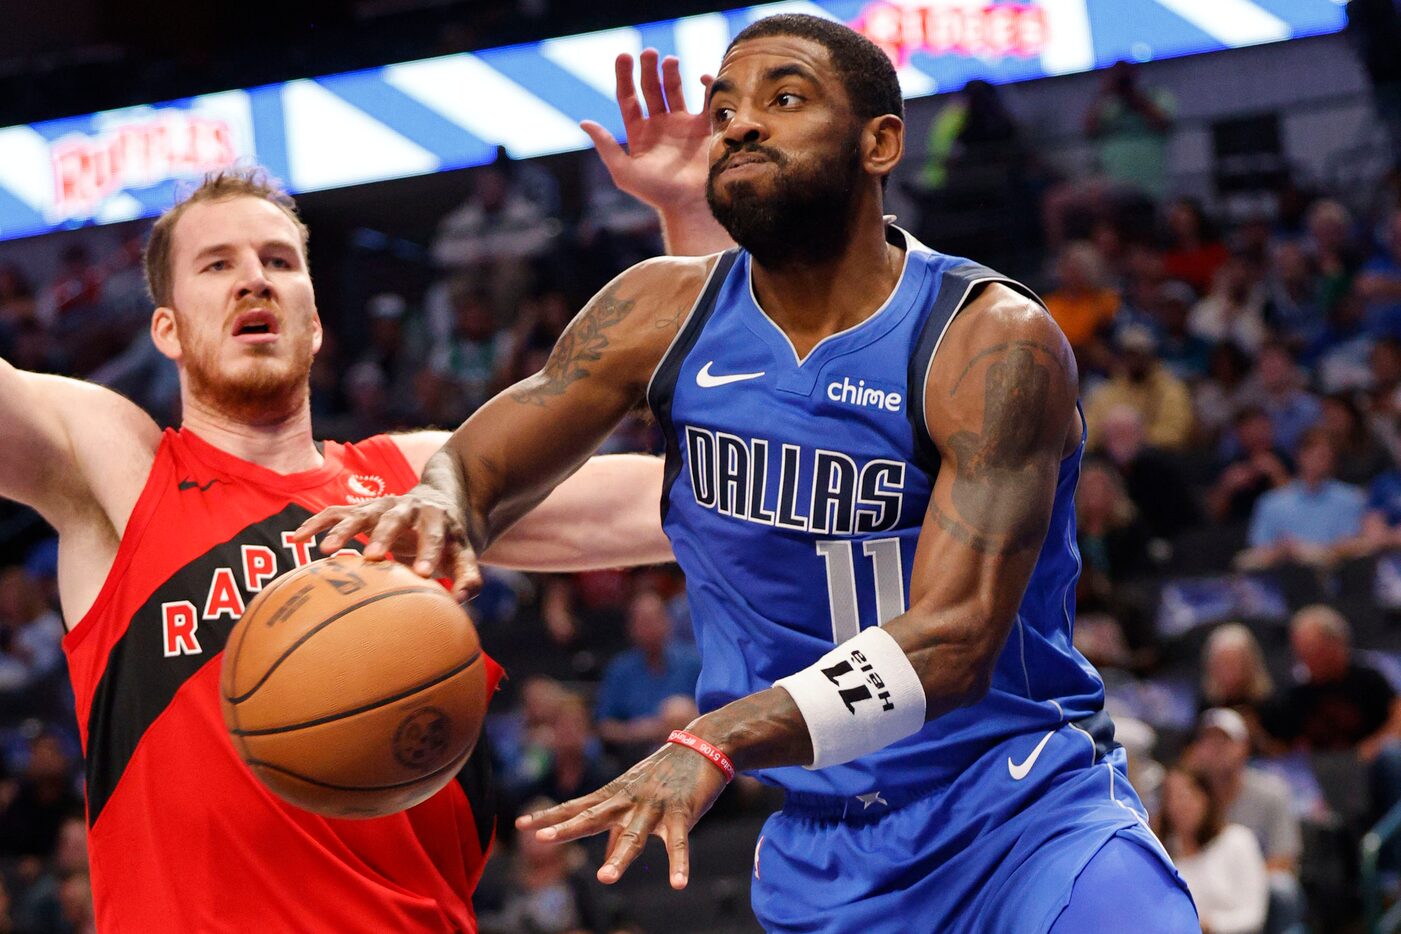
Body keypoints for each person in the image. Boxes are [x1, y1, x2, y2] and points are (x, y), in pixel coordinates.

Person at [304, 15, 1198, 931]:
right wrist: (442, 503)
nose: (738, 123)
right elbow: (480, 465)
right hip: (823, 848)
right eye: (724, 106)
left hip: (1022, 814)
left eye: (784, 98)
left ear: (878, 142)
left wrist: (716, 739)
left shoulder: (986, 341)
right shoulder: (656, 313)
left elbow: (955, 642)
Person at [0, 143, 685, 932]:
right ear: (168, 329)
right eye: (216, 266)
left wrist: (695, 227)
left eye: (279, 261)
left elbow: (697, 496)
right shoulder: (119, 472)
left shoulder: (426, 478)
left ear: (317, 322)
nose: (254, 277)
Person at [1183, 709, 1305, 931]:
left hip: (1252, 886)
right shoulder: (1191, 797)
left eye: (1224, 742)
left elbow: (1284, 860)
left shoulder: (1271, 792)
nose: (1216, 751)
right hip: (1207, 886)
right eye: (1208, 742)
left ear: (1244, 748)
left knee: (1280, 887)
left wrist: (1238, 882)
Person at [1157, 766, 1270, 934]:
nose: (1179, 805)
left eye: (1186, 796)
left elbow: (1253, 915)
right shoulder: (1161, 853)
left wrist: (1209, 925)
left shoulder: (1238, 840)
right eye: (1171, 797)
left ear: (1206, 798)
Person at [595, 588, 702, 759]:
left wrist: (679, 721)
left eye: (655, 619)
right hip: (636, 757)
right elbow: (604, 727)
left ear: (668, 621)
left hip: (688, 750)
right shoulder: (620, 669)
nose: (650, 628)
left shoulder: (693, 662)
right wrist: (635, 731)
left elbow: (714, 712)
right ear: (631, 627)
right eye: (643, 622)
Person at [1238, 428, 1366, 569]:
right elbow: (1259, 552)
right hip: (1285, 575)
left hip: (1337, 576)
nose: (1319, 462)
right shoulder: (1271, 502)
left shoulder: (1351, 498)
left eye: (1325, 456)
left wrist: (1311, 551)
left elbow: (1352, 545)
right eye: (1314, 455)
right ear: (1300, 455)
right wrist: (1282, 550)